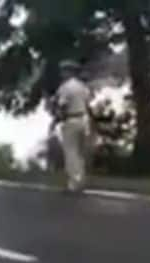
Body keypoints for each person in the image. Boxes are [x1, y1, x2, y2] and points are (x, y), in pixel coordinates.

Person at [54, 60, 93, 193]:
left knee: (71, 152)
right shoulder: (82, 87)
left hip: (70, 120)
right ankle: (81, 180)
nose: (61, 73)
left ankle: (74, 184)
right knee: (80, 153)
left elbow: (62, 105)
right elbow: (88, 103)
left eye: (64, 71)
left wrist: (57, 119)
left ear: (68, 72)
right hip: (83, 119)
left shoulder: (65, 87)